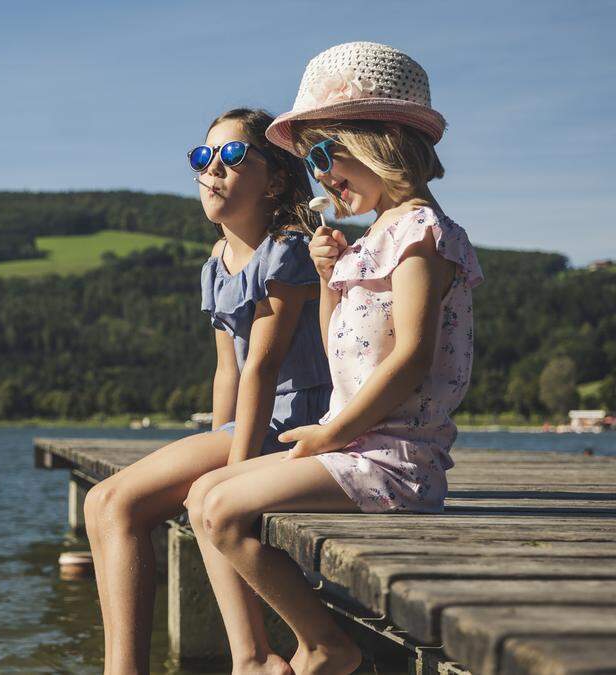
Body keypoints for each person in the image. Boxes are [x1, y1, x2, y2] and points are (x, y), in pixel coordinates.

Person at [185, 42, 483, 675]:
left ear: (378, 141)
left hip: (396, 460)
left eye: (325, 153)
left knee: (226, 505)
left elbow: (411, 357)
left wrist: (329, 434)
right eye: (311, 158)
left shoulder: (422, 233)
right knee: (203, 493)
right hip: (356, 450)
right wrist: (329, 278)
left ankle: (323, 644)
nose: (319, 173)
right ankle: (263, 652)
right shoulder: (375, 237)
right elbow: (336, 347)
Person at [84, 107, 329, 674]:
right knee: (113, 505)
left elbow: (264, 371)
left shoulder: (288, 249)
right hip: (247, 418)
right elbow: (230, 372)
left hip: (295, 419)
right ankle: (252, 657)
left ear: (275, 179)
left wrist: (232, 472)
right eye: (203, 156)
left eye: (233, 155)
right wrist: (217, 450)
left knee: (111, 501)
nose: (213, 168)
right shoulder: (216, 264)